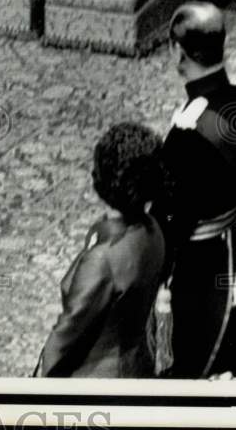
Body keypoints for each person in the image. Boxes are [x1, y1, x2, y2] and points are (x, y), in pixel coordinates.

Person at [155, 2, 236, 379]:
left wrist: (156, 275)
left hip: (197, 273)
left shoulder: (187, 135)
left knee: (190, 372)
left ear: (177, 51)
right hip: (235, 259)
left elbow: (173, 220)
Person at [37, 123, 168, 378]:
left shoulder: (103, 258)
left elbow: (65, 337)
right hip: (137, 362)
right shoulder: (153, 229)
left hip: (95, 376)